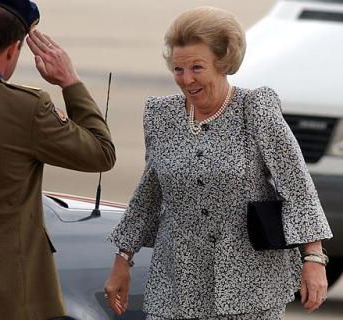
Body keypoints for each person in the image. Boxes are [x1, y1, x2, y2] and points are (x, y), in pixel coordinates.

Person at [104, 6, 332, 320]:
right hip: (176, 283)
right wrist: (122, 260)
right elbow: (149, 195)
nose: (186, 80)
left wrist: (314, 259)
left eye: (197, 68)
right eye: (178, 70)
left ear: (223, 62)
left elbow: (297, 188)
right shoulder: (160, 116)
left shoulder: (255, 110)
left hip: (249, 285)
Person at [0, 0, 115, 319]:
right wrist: (70, 82)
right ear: (14, 48)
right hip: (2, 296)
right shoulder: (27, 109)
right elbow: (101, 153)